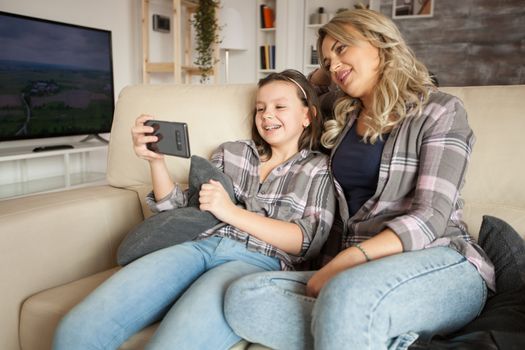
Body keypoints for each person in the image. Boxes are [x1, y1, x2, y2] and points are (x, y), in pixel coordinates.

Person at [224, 9, 495, 350]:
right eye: (325, 58)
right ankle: (390, 339)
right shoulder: (340, 111)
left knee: (344, 296)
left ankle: (353, 320)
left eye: (342, 48)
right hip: (356, 278)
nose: (333, 65)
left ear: (381, 43)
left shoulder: (439, 111)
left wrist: (347, 260)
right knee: (243, 296)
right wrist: (329, 69)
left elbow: (430, 218)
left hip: (438, 261)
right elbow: (302, 91)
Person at [52, 69, 336, 350]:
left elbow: (306, 242)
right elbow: (177, 208)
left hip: (256, 262)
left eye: (279, 107)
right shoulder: (232, 152)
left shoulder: (318, 168)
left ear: (307, 115)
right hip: (197, 246)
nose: (266, 115)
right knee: (75, 331)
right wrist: (156, 161)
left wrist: (231, 212)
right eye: (260, 108)